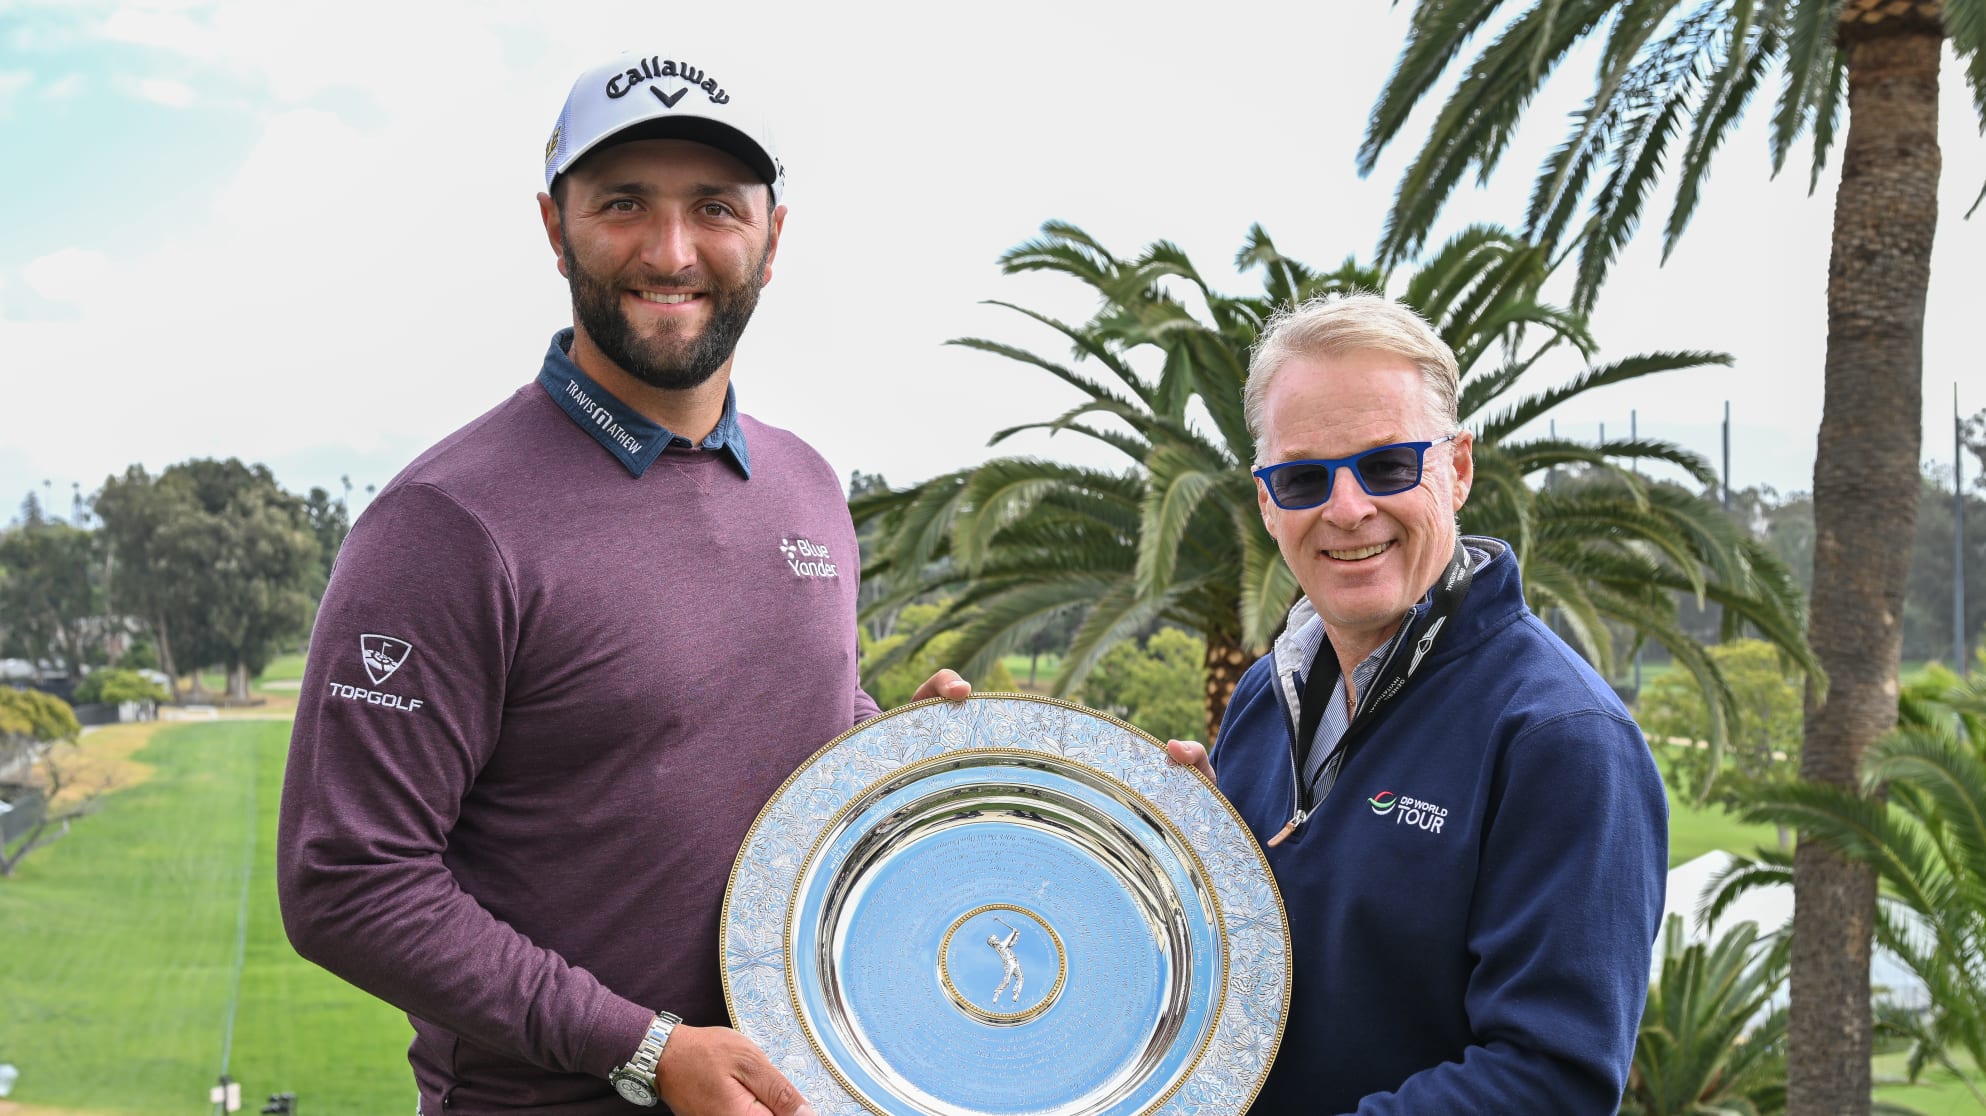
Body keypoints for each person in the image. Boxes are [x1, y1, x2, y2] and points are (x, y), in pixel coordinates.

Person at [277, 51, 967, 1116]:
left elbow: (775, 730)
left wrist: (893, 764)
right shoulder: (446, 524)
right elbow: (349, 883)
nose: (672, 250)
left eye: (713, 208)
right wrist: (644, 1049)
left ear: (772, 239)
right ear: (556, 228)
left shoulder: (807, 486)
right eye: (624, 204)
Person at [1166, 294, 1666, 1113]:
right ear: (1266, 502)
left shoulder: (1560, 738)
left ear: (1458, 469)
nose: (1348, 509)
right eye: (1302, 478)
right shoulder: (1267, 696)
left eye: (1388, 466)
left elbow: (1551, 1081)